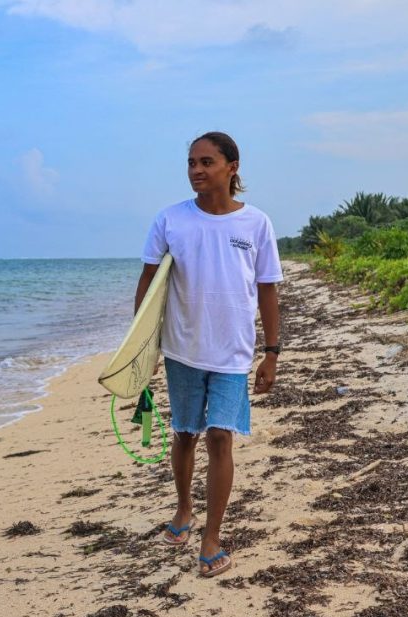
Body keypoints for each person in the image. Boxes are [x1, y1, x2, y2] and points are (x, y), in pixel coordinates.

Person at [135, 131, 282, 578]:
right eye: (191, 163)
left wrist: (271, 353)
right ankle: (184, 509)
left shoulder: (256, 224)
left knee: (221, 437)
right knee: (185, 434)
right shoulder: (170, 220)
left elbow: (268, 290)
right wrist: (142, 347)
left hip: (233, 353)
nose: (196, 170)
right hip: (181, 348)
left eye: (207, 162)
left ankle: (211, 536)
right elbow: (147, 284)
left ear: (231, 167)